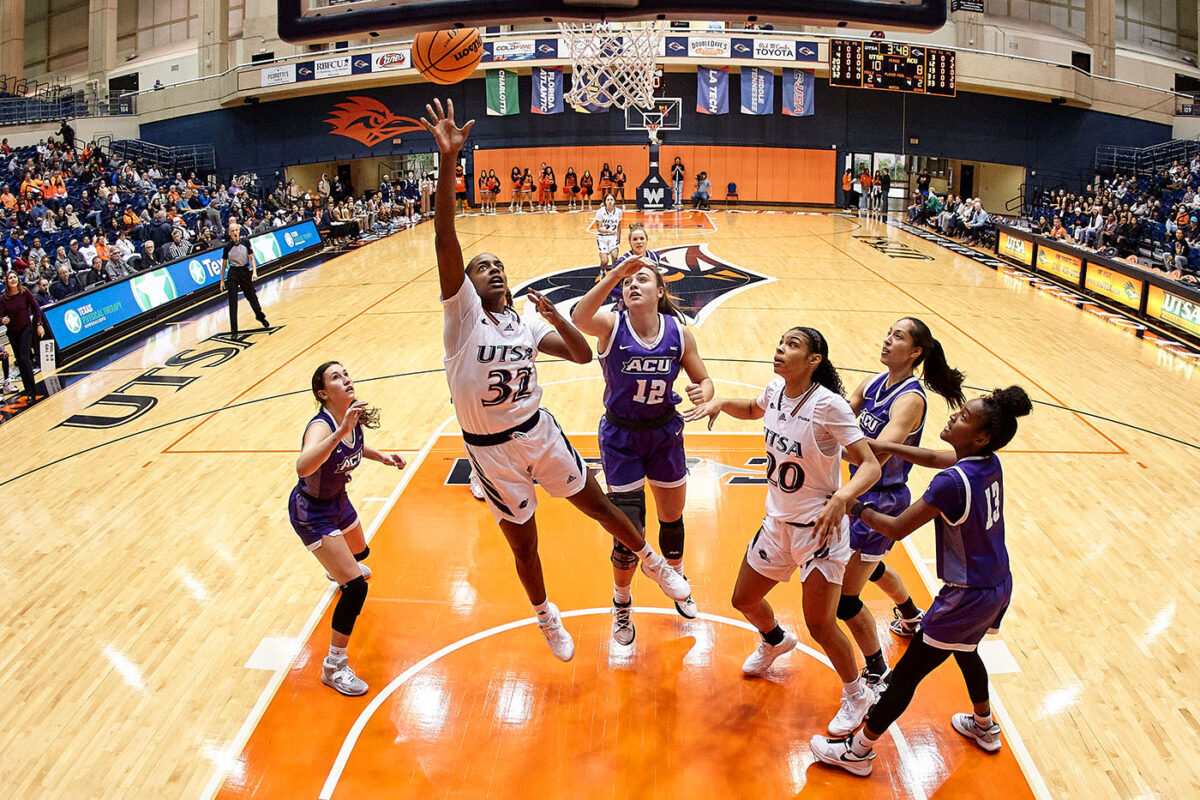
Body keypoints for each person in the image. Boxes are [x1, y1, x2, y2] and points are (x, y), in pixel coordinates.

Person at [420, 97, 691, 661]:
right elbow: (446, 237)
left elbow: (579, 355)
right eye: (482, 266)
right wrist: (450, 162)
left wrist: (553, 317)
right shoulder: (462, 318)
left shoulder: (521, 325)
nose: (493, 268)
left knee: (599, 507)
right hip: (490, 453)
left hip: (537, 430)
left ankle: (656, 566)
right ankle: (546, 616)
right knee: (525, 546)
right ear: (466, 285)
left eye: (499, 265)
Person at [811, 387, 1032, 777]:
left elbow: (895, 528)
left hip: (966, 595)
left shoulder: (951, 484)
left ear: (980, 437)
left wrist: (852, 502)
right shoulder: (987, 461)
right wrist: (885, 445)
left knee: (908, 673)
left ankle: (857, 750)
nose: (953, 416)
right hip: (997, 584)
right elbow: (932, 456)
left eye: (963, 417)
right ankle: (984, 724)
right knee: (966, 651)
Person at [684, 326, 883, 736]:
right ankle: (775, 640)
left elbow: (869, 464)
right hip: (777, 524)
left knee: (821, 624)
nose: (780, 348)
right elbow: (754, 409)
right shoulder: (776, 389)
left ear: (814, 361)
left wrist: (842, 497)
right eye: (781, 342)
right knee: (744, 598)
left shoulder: (829, 407)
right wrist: (721, 402)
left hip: (819, 529)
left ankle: (857, 694)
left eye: (792, 345)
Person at [571, 252, 713, 644]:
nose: (633, 285)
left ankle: (677, 575)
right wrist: (616, 272)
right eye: (628, 283)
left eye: (642, 280)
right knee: (628, 534)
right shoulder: (611, 326)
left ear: (660, 290)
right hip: (622, 437)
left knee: (672, 520)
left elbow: (704, 378)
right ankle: (621, 602)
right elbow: (579, 318)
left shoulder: (679, 333)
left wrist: (705, 393)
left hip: (665, 433)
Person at [837, 318, 966, 689]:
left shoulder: (910, 399)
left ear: (915, 352)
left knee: (846, 599)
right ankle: (911, 615)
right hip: (858, 490)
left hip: (883, 499)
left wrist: (828, 446)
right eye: (888, 332)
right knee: (869, 566)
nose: (887, 339)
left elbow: (873, 456)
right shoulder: (872, 382)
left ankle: (878, 669)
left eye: (898, 336)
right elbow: (841, 414)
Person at [292, 361, 406, 695]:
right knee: (355, 586)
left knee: (361, 553)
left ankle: (336, 567)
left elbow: (354, 445)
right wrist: (339, 433)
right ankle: (334, 667)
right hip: (312, 512)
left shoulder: (351, 418)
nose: (346, 379)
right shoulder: (322, 426)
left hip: (337, 501)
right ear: (323, 393)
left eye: (346, 374)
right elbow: (302, 466)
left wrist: (381, 456)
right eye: (336, 377)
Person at [1, 270, 46, 402]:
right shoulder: (3, 298)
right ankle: (28, 391)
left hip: (26, 328)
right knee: (20, 361)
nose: (14, 279)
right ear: (7, 282)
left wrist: (38, 324)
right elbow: (0, 315)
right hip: (12, 332)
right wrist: (3, 320)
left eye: (15, 277)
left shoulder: (24, 292)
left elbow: (36, 309)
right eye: (11, 278)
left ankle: (32, 392)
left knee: (24, 357)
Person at [220, 224, 269, 336]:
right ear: (229, 233)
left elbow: (251, 257)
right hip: (233, 273)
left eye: (236, 230)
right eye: (232, 231)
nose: (235, 232)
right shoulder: (227, 247)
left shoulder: (246, 242)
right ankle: (234, 331)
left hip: (245, 272)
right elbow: (224, 264)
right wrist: (222, 280)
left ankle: (260, 316)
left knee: (252, 297)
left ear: (239, 231)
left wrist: (254, 272)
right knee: (232, 302)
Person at [594, 194, 623, 270]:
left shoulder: (619, 212)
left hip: (613, 237)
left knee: (614, 256)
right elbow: (599, 228)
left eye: (611, 200)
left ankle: (613, 273)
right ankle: (603, 271)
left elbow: (619, 226)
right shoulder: (600, 212)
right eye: (608, 200)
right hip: (602, 237)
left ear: (614, 201)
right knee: (604, 261)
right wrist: (609, 231)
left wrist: (619, 237)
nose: (610, 201)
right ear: (605, 202)